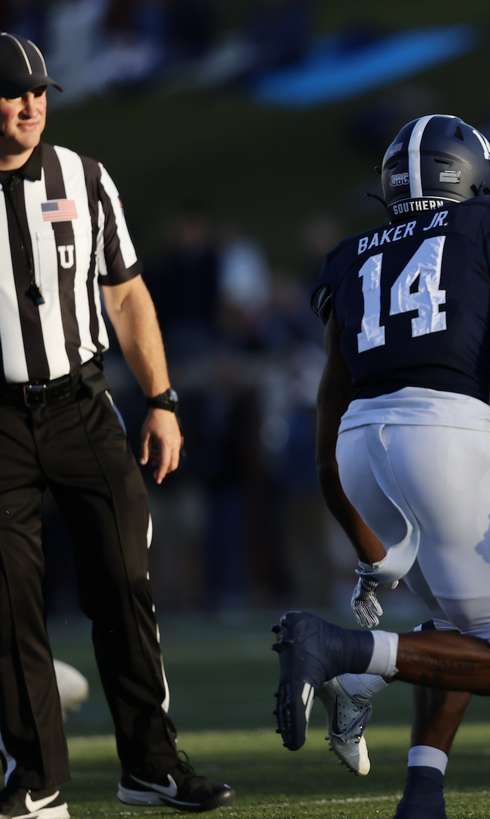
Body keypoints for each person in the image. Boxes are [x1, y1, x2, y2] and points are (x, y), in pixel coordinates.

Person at [273, 114, 490, 819]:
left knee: (456, 632)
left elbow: (330, 400)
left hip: (360, 443)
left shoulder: (351, 252)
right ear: (474, 177)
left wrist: (359, 535)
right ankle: (341, 651)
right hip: (443, 432)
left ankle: (422, 789)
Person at [0, 33, 232, 816]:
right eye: (13, 91)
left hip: (82, 405)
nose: (31, 105)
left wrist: (162, 401)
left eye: (39, 90)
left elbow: (127, 296)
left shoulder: (84, 177)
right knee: (12, 602)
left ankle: (150, 766)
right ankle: (37, 780)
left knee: (126, 584)